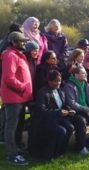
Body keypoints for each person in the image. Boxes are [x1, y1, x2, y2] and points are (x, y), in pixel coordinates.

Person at [1, 32, 31, 165]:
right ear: (13, 42)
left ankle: (16, 149)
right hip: (14, 97)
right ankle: (11, 155)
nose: (24, 43)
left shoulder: (18, 55)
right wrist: (23, 87)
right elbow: (9, 78)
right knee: (11, 127)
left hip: (20, 97)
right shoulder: (10, 55)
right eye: (22, 41)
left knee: (18, 125)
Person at [31, 70, 76, 160]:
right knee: (61, 130)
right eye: (55, 81)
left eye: (59, 80)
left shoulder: (59, 90)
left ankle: (61, 151)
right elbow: (41, 110)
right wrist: (58, 112)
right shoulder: (43, 92)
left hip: (57, 118)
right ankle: (53, 153)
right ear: (49, 81)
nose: (58, 83)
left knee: (70, 127)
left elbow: (63, 104)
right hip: (46, 120)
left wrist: (69, 110)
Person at [63, 66, 89, 154]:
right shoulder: (69, 85)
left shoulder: (85, 84)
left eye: (85, 73)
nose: (86, 75)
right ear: (76, 75)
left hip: (86, 111)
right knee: (81, 121)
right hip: (73, 113)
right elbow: (71, 103)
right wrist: (85, 109)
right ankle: (80, 147)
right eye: (83, 73)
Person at [0, 23, 23, 144]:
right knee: (5, 111)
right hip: (5, 82)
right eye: (21, 31)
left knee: (4, 110)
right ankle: (3, 136)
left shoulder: (6, 41)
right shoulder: (8, 48)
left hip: (4, 80)